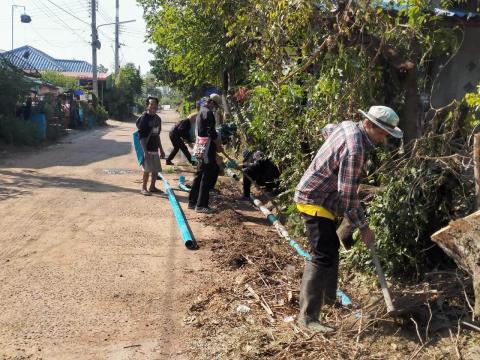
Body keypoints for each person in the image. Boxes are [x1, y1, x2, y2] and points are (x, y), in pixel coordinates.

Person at [294, 105, 403, 332]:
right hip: (315, 198)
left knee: (331, 247)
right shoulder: (356, 150)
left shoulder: (347, 126)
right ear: (370, 125)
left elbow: (328, 129)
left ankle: (329, 299)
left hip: (321, 196)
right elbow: (348, 195)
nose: (383, 139)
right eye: (382, 133)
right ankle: (308, 318)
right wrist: (363, 227)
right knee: (322, 254)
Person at [188, 93, 223, 213]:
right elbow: (211, 133)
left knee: (199, 173)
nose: (215, 108)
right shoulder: (208, 113)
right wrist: (218, 144)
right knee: (206, 175)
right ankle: (201, 205)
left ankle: (192, 202)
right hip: (206, 146)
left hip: (199, 144)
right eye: (216, 105)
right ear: (212, 102)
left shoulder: (201, 111)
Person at [137, 96, 165, 196]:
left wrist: (161, 149)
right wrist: (145, 151)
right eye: (151, 104)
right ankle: (143, 188)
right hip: (146, 148)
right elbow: (141, 137)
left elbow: (157, 135)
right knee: (147, 170)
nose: (153, 106)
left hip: (155, 148)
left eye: (155, 104)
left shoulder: (158, 119)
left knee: (155, 170)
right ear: (147, 106)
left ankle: (152, 187)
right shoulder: (144, 118)